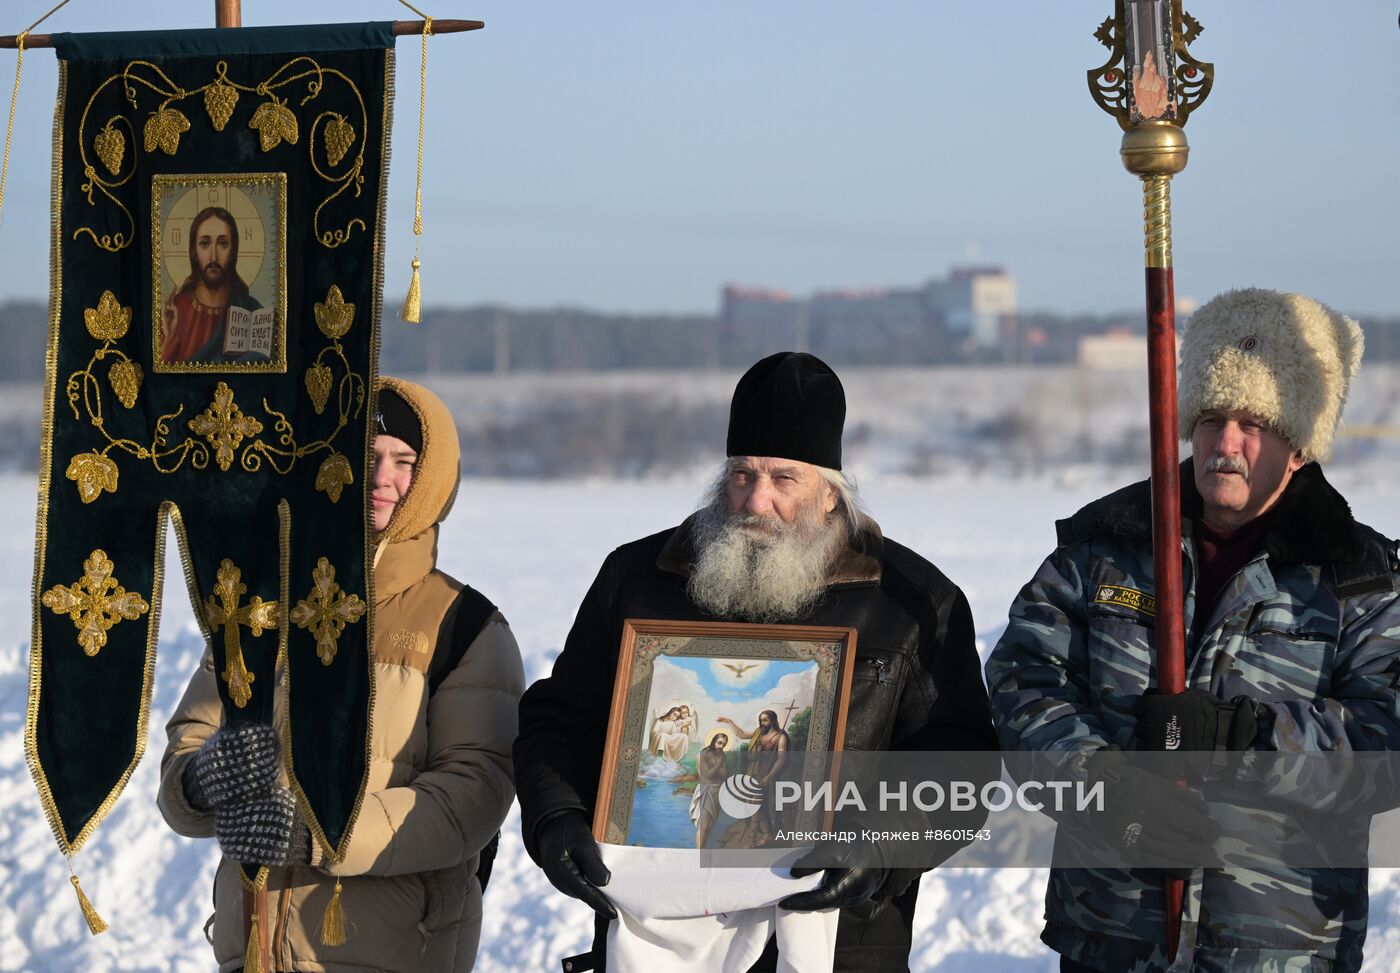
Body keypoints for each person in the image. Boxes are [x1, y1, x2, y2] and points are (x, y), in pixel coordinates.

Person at [514, 351, 998, 972]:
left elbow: (961, 765)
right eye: (742, 475)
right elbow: (562, 721)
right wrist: (558, 817)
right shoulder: (638, 579)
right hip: (657, 932)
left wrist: (879, 850)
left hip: (840, 937)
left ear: (831, 494)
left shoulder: (910, 601)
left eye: (783, 479)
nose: (756, 500)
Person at [985, 288, 1400, 972]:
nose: (1225, 443)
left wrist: (1242, 736)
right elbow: (1021, 688)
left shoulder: (1359, 579)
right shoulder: (1107, 550)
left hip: (1281, 949)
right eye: (1210, 418)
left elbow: (1384, 743)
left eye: (1252, 422)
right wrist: (1108, 789)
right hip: (1113, 937)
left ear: (1297, 442)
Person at [157, 376, 525, 972]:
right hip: (253, 948)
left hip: (392, 952)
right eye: (366, 455)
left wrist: (323, 833)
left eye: (405, 462)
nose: (382, 477)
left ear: (432, 482)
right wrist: (202, 780)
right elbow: (185, 759)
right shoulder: (258, 607)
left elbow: (471, 798)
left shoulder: (463, 626)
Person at [160, 206, 264, 363]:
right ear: (194, 252)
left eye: (223, 243)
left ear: (233, 252)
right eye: (204, 243)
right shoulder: (177, 311)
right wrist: (171, 339)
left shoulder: (251, 310)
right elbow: (160, 377)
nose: (213, 256)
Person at [691, 731, 730, 849]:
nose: (721, 746)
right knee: (703, 826)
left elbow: (724, 775)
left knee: (709, 827)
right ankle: (698, 854)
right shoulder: (702, 755)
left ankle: (701, 852)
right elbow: (707, 775)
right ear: (713, 741)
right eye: (719, 743)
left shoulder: (722, 756)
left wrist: (718, 764)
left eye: (724, 744)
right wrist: (718, 763)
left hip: (716, 793)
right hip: (706, 791)